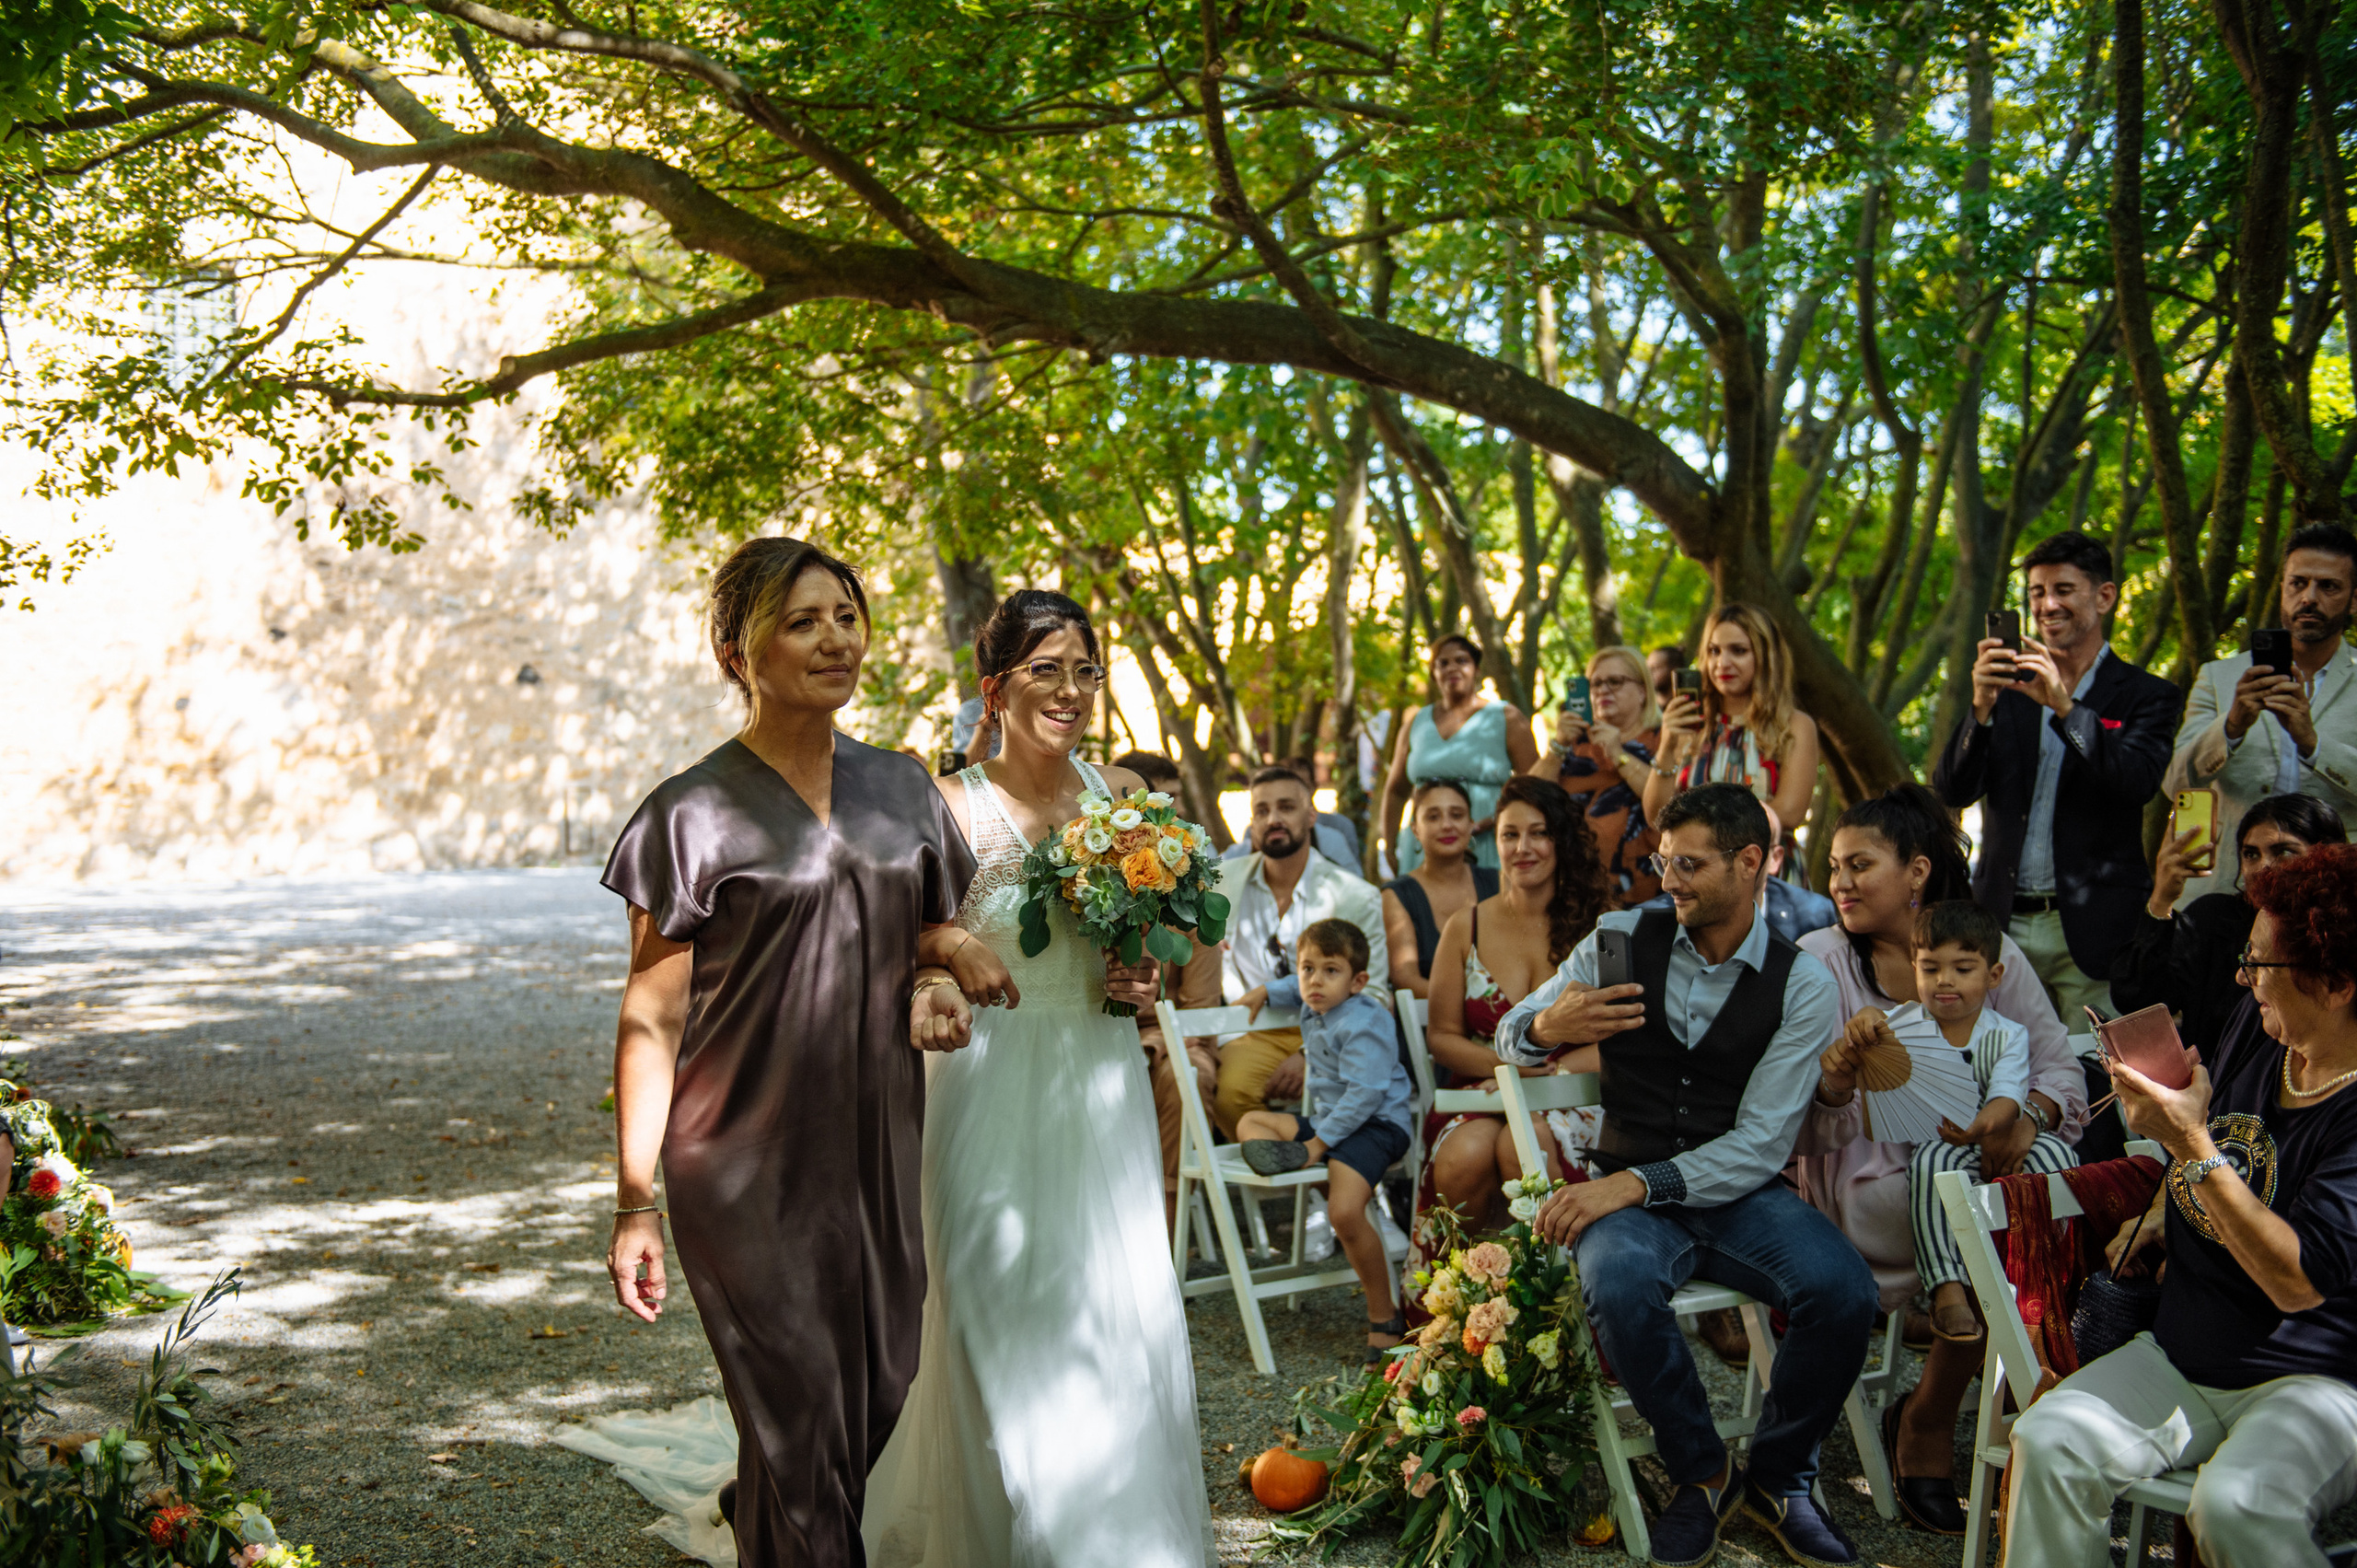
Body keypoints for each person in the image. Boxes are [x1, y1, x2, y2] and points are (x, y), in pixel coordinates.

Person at [598, 538, 980, 1566]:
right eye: (803, 620)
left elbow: (922, 939)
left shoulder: (904, 788)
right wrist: (636, 1197)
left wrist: (940, 979)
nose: (834, 639)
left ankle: (764, 1520)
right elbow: (651, 1008)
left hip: (875, 1146)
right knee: (804, 1421)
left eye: (846, 615)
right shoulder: (690, 809)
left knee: (876, 1391)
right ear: (737, 651)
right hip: (739, 1159)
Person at [864, 589, 1213, 1566]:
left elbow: (1146, 939)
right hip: (984, 1079)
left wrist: (1138, 968)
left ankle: (1100, 1539)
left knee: (1106, 1306)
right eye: (1045, 669)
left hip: (1097, 1081)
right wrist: (940, 965)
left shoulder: (1117, 801)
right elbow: (895, 936)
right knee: (985, 1302)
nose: (1069, 689)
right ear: (995, 686)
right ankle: (994, 1531)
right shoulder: (948, 801)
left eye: (1085, 669)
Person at [1505, 784, 1873, 1568]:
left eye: (1690, 863)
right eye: (1663, 859)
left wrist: (1630, 1185)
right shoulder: (1615, 938)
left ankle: (1779, 1477)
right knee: (1618, 1279)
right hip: (1633, 1198)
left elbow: (1760, 1144)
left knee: (1845, 1292)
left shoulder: (1801, 982)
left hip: (1738, 1196)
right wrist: (1545, 1026)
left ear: (1751, 863)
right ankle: (1703, 1473)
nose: (1668, 878)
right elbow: (1511, 1035)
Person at [2004, 845, 2357, 1568]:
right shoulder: (2257, 1035)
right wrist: (2169, 1193)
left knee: (2237, 1503)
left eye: (2260, 963)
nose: (2240, 975)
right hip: (2181, 1349)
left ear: (2337, 982)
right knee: (2047, 1440)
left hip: (2314, 1379)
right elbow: (2215, 1138)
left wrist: (2188, 1140)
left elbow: (2297, 1279)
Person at [1791, 781, 2086, 1534]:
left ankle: (1991, 1417)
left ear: (1917, 871)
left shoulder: (1986, 949)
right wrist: (1835, 1077)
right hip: (1865, 1179)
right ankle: (1941, 1419)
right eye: (1834, 867)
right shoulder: (1818, 960)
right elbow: (1789, 1119)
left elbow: (2060, 1071)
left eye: (1860, 864)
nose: (1841, 883)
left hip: (1986, 1163)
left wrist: (2025, 1116)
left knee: (2048, 1189)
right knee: (1989, 1218)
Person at [1933, 528, 2184, 1021]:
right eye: (2036, 593)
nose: (2047, 604)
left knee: (2098, 1078)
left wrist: (2067, 709)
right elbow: (1952, 789)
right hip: (2001, 922)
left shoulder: (2147, 694)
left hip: (2097, 934)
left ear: (2105, 596)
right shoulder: (2006, 691)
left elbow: (2138, 781)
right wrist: (1981, 707)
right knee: (1997, 1072)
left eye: (2063, 590)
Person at [1417, 776, 1611, 1244]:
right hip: (1485, 1090)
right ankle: (1471, 1294)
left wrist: (1555, 1071)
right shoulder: (1468, 925)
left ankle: (1556, 1296)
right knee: (1464, 1154)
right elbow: (1442, 1036)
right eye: (1510, 835)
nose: (1523, 847)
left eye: (1539, 833)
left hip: (1578, 1092)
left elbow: (1626, 1035)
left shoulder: (1603, 925)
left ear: (1561, 840)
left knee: (1520, 1146)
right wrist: (1509, 1069)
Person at [1234, 918, 1417, 1361]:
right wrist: (1266, 991)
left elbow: (1367, 1094)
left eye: (1330, 971)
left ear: (1358, 982)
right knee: (1253, 1122)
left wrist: (1318, 1144)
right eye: (1307, 969)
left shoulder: (1364, 1020)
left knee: (1345, 1212)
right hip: (1333, 1121)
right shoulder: (1315, 1001)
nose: (1315, 980)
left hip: (1376, 1125)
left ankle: (1383, 1314)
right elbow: (1295, 988)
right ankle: (1293, 1157)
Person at [2165, 523, 2357, 902]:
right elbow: (2174, 784)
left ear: (2354, 600)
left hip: (2336, 899)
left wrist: (2312, 743)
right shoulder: (2218, 678)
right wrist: (2232, 726)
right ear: (2282, 588)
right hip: (2227, 889)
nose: (2309, 598)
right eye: (2297, 583)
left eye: (2328, 586)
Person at [1209, 764, 1390, 1139]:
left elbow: (1372, 994)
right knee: (1226, 1097)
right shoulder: (1220, 882)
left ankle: (1319, 1176)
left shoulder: (1355, 895)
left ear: (1311, 816)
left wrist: (1310, 1056)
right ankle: (1300, 1175)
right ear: (1252, 823)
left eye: (1286, 807)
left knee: (1348, 1098)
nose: (1273, 819)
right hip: (1252, 1033)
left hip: (1332, 1032)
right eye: (1262, 811)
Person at [2111, 793, 2348, 1057]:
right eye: (2251, 854)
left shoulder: (2342, 933)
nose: (2263, 868)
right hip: (2214, 1089)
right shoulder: (2214, 918)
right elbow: (2137, 1000)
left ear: (2327, 856)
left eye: (2283, 852)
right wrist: (2161, 899)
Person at [1643, 602, 1821, 842]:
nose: (1722, 663)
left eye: (1738, 650)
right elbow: (1656, 815)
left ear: (1766, 656)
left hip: (1767, 868)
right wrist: (1666, 746)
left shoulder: (1795, 725)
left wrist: (1707, 836)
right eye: (1714, 651)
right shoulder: (1691, 721)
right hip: (1695, 870)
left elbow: (1789, 813)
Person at [1380, 634, 1538, 873]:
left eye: (1461, 660)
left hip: (1486, 843)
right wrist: (1390, 846)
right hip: (1424, 847)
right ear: (1434, 673)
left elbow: (1535, 787)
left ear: (1477, 670)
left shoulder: (1506, 718)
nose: (1452, 668)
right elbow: (1396, 790)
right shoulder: (1416, 723)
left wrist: (1500, 820)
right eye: (1443, 663)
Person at [1532, 644, 1666, 906]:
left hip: (1648, 892)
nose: (1603, 690)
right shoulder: (1576, 742)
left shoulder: (1665, 740)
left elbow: (1669, 807)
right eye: (1595, 684)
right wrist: (1557, 746)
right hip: (1577, 891)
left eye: (1615, 681)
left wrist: (1619, 755)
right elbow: (1527, 798)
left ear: (1642, 691)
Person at [1380, 778, 1498, 997]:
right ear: (1415, 829)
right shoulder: (1397, 895)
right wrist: (1472, 1008)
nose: (1447, 825)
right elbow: (1405, 979)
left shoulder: (1499, 883)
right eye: (1433, 817)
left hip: (1503, 1023)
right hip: (1427, 1026)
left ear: (1471, 824)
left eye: (1457, 815)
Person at [1648, 644, 1689, 709]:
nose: (1649, 673)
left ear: (1674, 670)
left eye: (1655, 668)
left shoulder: (1688, 705)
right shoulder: (1644, 709)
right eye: (1647, 668)